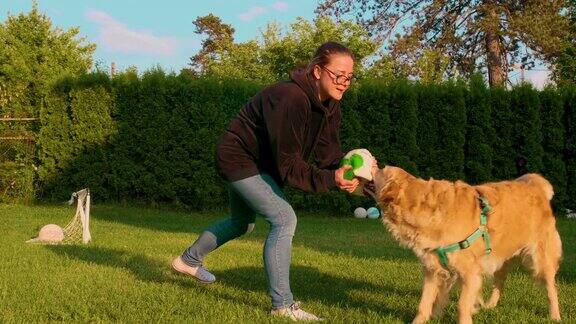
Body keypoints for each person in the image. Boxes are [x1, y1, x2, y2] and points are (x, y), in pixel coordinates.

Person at [172, 41, 359, 321]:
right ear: (318, 71)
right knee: (284, 220)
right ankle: (282, 305)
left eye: (349, 77)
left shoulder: (331, 104)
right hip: (239, 157)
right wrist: (330, 179)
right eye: (338, 75)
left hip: (259, 162)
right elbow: (289, 165)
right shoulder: (290, 97)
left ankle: (187, 260)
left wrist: (342, 175)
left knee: (241, 223)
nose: (344, 82)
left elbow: (328, 153)